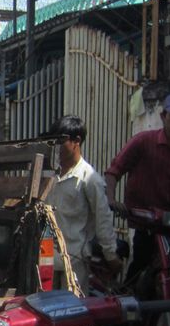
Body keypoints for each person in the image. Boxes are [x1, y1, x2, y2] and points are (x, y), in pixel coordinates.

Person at [104, 90, 170, 282]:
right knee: (141, 263)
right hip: (146, 217)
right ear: (163, 116)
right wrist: (111, 199)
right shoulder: (143, 141)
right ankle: (130, 300)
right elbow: (114, 171)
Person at [43, 115, 123, 294]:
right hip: (46, 258)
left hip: (74, 261)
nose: (55, 148)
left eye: (60, 142)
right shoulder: (48, 174)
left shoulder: (89, 179)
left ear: (76, 141)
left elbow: (103, 219)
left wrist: (111, 255)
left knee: (71, 314)